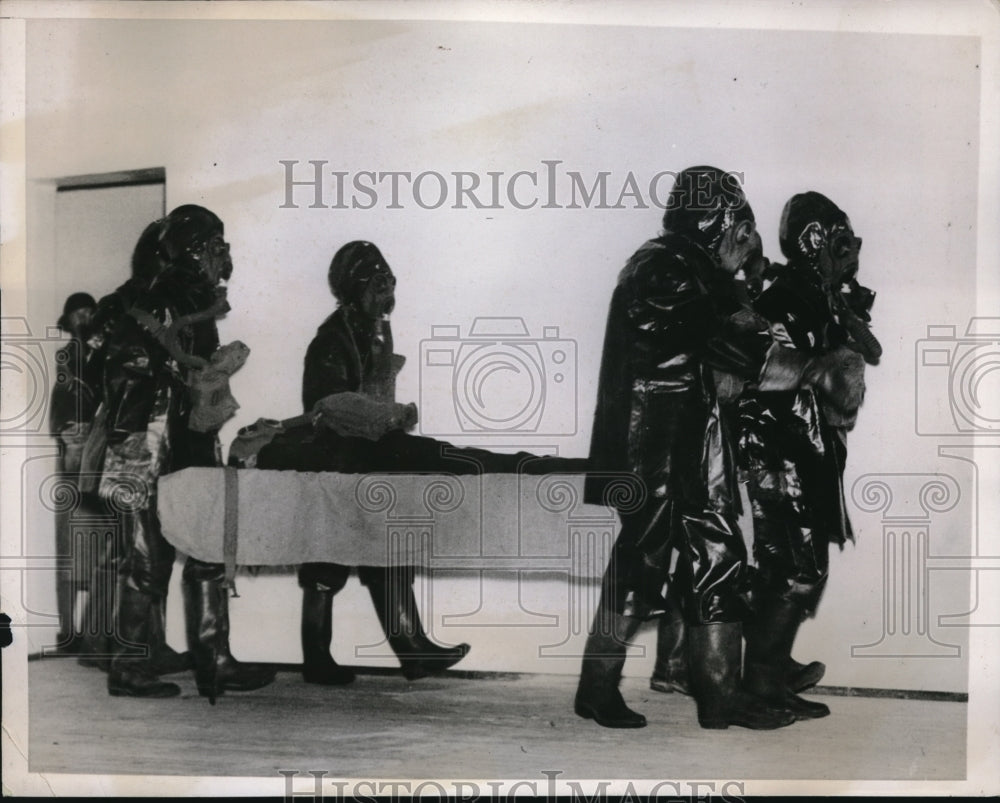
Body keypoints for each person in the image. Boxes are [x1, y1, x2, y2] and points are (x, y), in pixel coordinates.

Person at [257, 240, 585, 685]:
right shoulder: (333, 336)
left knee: (387, 540)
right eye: (378, 282)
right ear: (353, 286)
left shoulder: (371, 328)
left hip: (361, 456)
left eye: (389, 281)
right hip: (336, 460)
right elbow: (330, 404)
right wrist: (391, 417)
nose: (387, 291)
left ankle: (410, 648)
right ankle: (324, 656)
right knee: (327, 555)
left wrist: (385, 417)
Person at [575, 166, 795, 731]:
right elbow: (722, 341)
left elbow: (729, 341)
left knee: (719, 557)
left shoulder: (695, 269)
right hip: (656, 445)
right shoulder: (660, 265)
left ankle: (721, 699)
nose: (741, 232)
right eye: (733, 218)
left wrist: (739, 282)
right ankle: (597, 687)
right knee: (642, 565)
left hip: (697, 444)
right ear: (713, 217)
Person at [97, 205, 275, 701]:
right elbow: (130, 364)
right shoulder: (168, 296)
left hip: (183, 439)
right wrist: (131, 439)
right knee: (150, 558)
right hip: (152, 444)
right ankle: (134, 668)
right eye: (220, 247)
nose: (227, 256)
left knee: (205, 550)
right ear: (198, 252)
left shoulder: (191, 296)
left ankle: (212, 660)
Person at [738, 191, 876, 719]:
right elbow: (759, 371)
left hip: (803, 446)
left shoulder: (814, 293)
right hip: (783, 449)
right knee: (796, 566)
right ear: (814, 239)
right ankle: (762, 680)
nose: (849, 244)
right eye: (836, 232)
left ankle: (771, 669)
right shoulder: (786, 297)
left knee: (797, 563)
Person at [49, 292, 100, 653]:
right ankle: (68, 632)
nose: (83, 319)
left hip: (97, 454)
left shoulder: (104, 352)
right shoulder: (68, 356)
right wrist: (70, 433)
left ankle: (93, 631)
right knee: (69, 547)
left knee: (100, 547)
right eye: (77, 314)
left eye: (88, 313)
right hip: (73, 452)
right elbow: (66, 409)